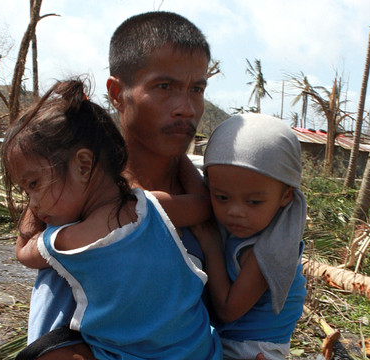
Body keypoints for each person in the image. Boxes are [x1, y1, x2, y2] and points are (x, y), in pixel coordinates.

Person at [14, 11, 217, 359]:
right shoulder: (76, 211)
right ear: (117, 93)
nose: (186, 108)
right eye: (164, 87)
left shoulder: (220, 204)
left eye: (197, 89)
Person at [195, 113, 308, 360]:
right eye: (222, 197)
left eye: (254, 201)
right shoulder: (254, 224)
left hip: (251, 350)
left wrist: (211, 246)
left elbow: (227, 310)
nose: (235, 212)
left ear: (286, 196)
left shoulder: (270, 249)